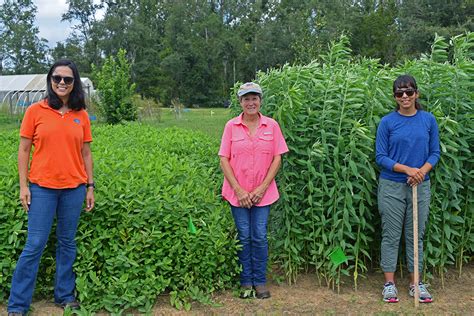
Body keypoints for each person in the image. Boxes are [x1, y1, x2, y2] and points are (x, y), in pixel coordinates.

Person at [8, 59, 95, 315]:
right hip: (42, 189)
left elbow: (87, 153)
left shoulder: (81, 115)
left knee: (67, 242)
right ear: (50, 80)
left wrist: (90, 186)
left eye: (67, 79)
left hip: (74, 189)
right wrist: (24, 186)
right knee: (35, 243)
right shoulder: (36, 111)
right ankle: (17, 305)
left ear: (74, 83)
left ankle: (64, 295)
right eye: (57, 78)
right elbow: (24, 150)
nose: (61, 83)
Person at [218, 82, 289, 299]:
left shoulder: (271, 126)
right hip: (236, 194)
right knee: (244, 236)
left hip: (263, 194)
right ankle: (245, 282)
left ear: (260, 101)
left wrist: (262, 187)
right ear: (240, 102)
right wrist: (239, 190)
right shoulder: (231, 126)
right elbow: (224, 159)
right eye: (246, 99)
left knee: (259, 236)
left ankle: (259, 282)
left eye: (254, 98)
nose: (251, 102)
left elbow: (277, 157)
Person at [375, 74, 440, 304]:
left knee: (416, 236)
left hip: (420, 185)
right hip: (392, 185)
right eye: (399, 93)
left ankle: (416, 284)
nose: (404, 96)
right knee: (391, 235)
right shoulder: (387, 123)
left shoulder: (428, 120)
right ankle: (389, 284)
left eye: (409, 92)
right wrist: (407, 170)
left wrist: (420, 171)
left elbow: (435, 153)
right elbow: (381, 156)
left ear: (416, 94)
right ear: (395, 97)